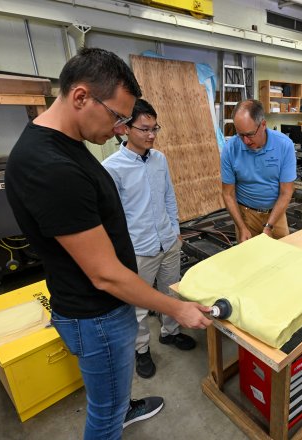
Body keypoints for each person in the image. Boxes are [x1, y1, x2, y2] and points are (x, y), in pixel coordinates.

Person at [5, 47, 212, 440]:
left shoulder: (64, 145)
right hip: (96, 315)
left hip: (100, 308)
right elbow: (104, 275)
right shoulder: (52, 168)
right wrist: (177, 308)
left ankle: (123, 405)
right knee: (104, 417)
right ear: (81, 97)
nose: (120, 129)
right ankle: (118, 411)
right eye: (118, 117)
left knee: (113, 395)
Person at [102, 99, 197, 380]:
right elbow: (112, 216)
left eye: (155, 128)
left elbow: (169, 196)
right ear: (125, 128)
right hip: (139, 249)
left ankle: (170, 332)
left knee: (170, 292)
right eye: (144, 129)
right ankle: (141, 349)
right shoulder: (112, 167)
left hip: (168, 241)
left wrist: (175, 230)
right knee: (138, 306)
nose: (151, 135)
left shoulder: (160, 159)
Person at [221, 99, 296, 243]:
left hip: (276, 214)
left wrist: (269, 226)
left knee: (282, 254)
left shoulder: (284, 145)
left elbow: (286, 192)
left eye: (250, 134)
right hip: (245, 217)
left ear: (263, 125)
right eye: (240, 135)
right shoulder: (230, 149)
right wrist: (242, 227)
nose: (245, 141)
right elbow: (227, 194)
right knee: (248, 256)